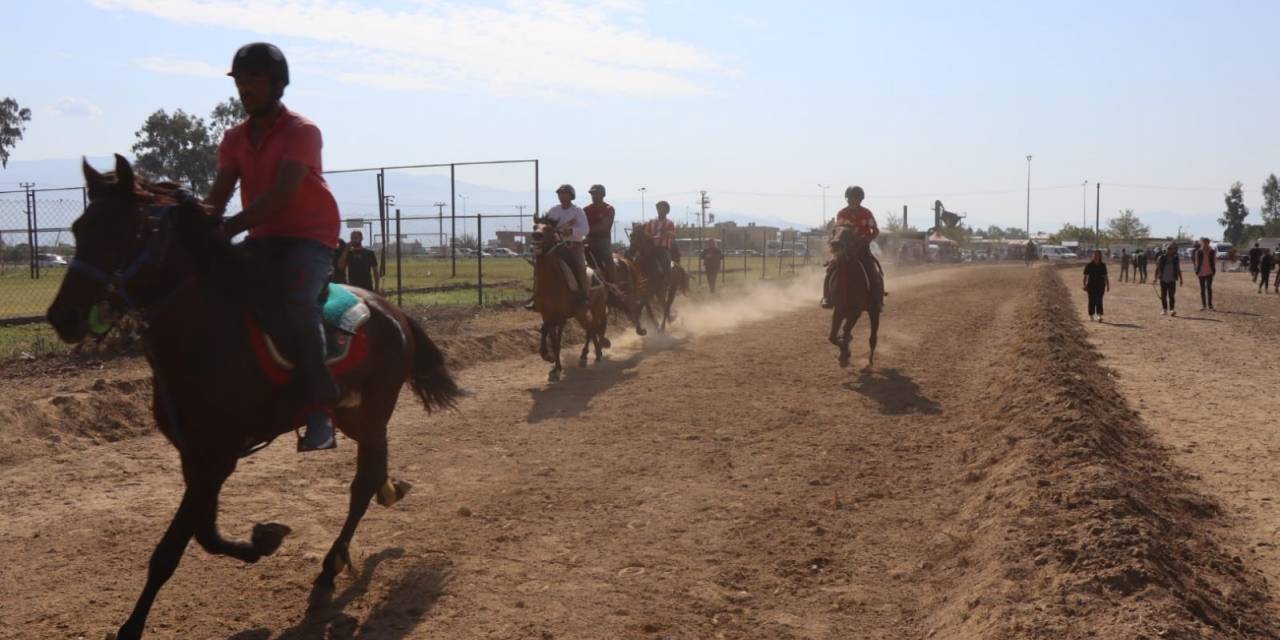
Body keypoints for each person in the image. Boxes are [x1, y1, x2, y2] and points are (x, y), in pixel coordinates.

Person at [206, 42, 340, 452]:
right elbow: (219, 194)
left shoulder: (303, 132)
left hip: (309, 238)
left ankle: (320, 409)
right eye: (241, 82)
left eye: (254, 81)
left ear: (278, 84)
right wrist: (195, 222)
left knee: (297, 300)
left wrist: (228, 227)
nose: (245, 89)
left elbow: (282, 194)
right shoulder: (233, 139)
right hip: (263, 238)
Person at [527, 184, 590, 310]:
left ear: (571, 195)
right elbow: (545, 226)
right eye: (560, 193)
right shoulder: (554, 210)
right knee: (539, 267)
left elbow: (585, 229)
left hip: (574, 247)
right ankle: (537, 297)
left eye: (564, 193)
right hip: (557, 247)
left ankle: (584, 297)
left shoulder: (577, 211)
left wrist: (571, 231)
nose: (561, 196)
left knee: (580, 268)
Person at [821, 186, 882, 309]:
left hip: (862, 249)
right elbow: (837, 230)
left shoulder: (867, 213)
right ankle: (826, 297)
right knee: (830, 270)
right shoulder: (842, 213)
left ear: (861, 199)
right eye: (850, 198)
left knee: (873, 272)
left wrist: (867, 239)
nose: (853, 200)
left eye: (856, 198)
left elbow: (875, 230)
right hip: (844, 250)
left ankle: (876, 299)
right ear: (847, 199)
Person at [582, 184, 616, 285]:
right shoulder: (586, 210)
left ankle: (612, 285)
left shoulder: (609, 209)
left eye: (596, 194)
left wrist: (586, 231)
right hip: (587, 240)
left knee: (608, 261)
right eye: (592, 194)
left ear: (602, 195)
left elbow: (604, 226)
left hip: (603, 241)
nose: (593, 196)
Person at [644, 201, 678, 287]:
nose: (660, 210)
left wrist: (667, 233)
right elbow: (646, 232)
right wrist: (649, 236)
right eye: (659, 208)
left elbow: (673, 234)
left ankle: (666, 282)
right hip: (651, 248)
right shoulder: (651, 221)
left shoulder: (669, 223)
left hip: (663, 249)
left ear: (667, 211)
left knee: (666, 262)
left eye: (663, 209)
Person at [1154, 242, 1183, 316]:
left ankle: (1172, 309)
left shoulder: (1175, 258)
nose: (1170, 250)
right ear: (1165, 250)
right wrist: (1155, 278)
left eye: (1171, 249)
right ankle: (1164, 309)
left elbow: (1178, 269)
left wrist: (1181, 279)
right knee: (1163, 295)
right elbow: (1157, 268)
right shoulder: (1161, 258)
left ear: (1173, 250)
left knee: (1171, 295)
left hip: (1172, 280)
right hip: (1163, 279)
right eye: (1168, 249)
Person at [1083, 250, 1110, 322]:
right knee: (1091, 301)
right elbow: (1085, 277)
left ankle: (1099, 315)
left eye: (1097, 255)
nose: (1096, 256)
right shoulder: (1089, 265)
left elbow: (1105, 276)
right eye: (1094, 255)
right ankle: (1091, 315)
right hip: (1091, 286)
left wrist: (1108, 285)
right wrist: (1085, 285)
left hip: (1100, 286)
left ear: (1100, 256)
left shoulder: (1103, 265)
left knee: (1099, 301)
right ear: (1092, 256)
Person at [1192, 237, 1216, 310]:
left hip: (1209, 272)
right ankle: (1203, 305)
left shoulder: (1212, 251)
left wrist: (1213, 270)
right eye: (1204, 242)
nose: (1205, 244)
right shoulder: (1199, 251)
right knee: (1202, 289)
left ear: (1208, 243)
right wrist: (1196, 270)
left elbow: (1214, 261)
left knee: (1209, 288)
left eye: (1206, 242)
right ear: (1202, 243)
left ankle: (1210, 305)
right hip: (1201, 272)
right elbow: (1196, 262)